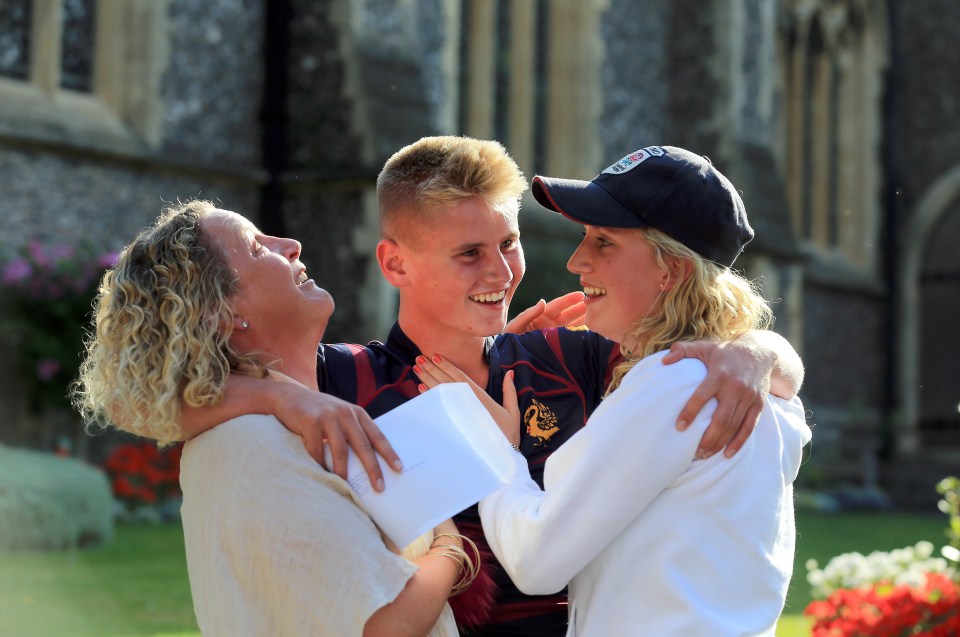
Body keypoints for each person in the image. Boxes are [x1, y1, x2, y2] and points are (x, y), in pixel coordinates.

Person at [177, 136, 804, 636]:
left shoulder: (572, 356)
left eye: (510, 243)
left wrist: (751, 350)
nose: (502, 273)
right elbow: (160, 401)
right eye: (469, 253)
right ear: (395, 263)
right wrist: (278, 395)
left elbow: (715, 366)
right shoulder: (337, 379)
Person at [418, 145, 812, 636]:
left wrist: (493, 442)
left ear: (673, 270)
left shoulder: (674, 385)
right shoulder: (761, 390)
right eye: (585, 237)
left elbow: (534, 560)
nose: (576, 261)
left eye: (604, 242)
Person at [73, 202, 471, 637]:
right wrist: (450, 547)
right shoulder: (256, 447)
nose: (292, 245)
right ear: (222, 314)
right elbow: (383, 626)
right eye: (259, 249)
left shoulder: (321, 401)